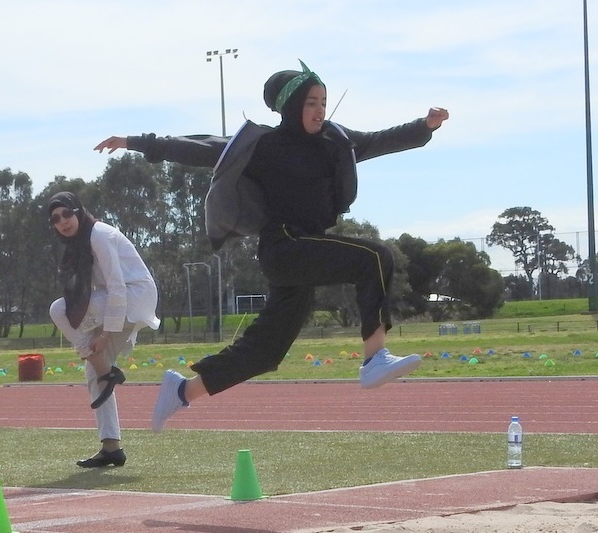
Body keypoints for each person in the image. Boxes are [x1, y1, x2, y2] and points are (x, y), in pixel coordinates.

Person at [94, 60, 449, 433]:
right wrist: (134, 142)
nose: (320, 110)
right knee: (375, 257)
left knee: (266, 351)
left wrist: (423, 126)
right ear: (292, 105)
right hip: (285, 245)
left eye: (323, 102)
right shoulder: (264, 144)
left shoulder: (335, 140)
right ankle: (374, 357)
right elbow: (198, 148)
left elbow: (377, 141)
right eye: (311, 102)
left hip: (305, 249)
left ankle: (182, 391)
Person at [48, 191, 160, 466]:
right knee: (93, 369)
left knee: (58, 310)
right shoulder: (77, 245)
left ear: (78, 211)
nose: (63, 221)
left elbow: (117, 285)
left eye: (67, 214)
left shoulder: (98, 234)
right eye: (55, 218)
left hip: (134, 294)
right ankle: (112, 447)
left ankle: (100, 363)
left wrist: (105, 333)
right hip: (116, 299)